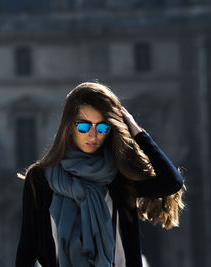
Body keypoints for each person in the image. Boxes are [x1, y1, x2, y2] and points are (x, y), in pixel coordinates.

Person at [15, 82, 185, 267]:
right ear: (69, 127)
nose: (93, 135)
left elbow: (171, 182)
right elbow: (27, 248)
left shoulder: (119, 176)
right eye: (84, 127)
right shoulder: (40, 178)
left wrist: (137, 132)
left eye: (102, 128)